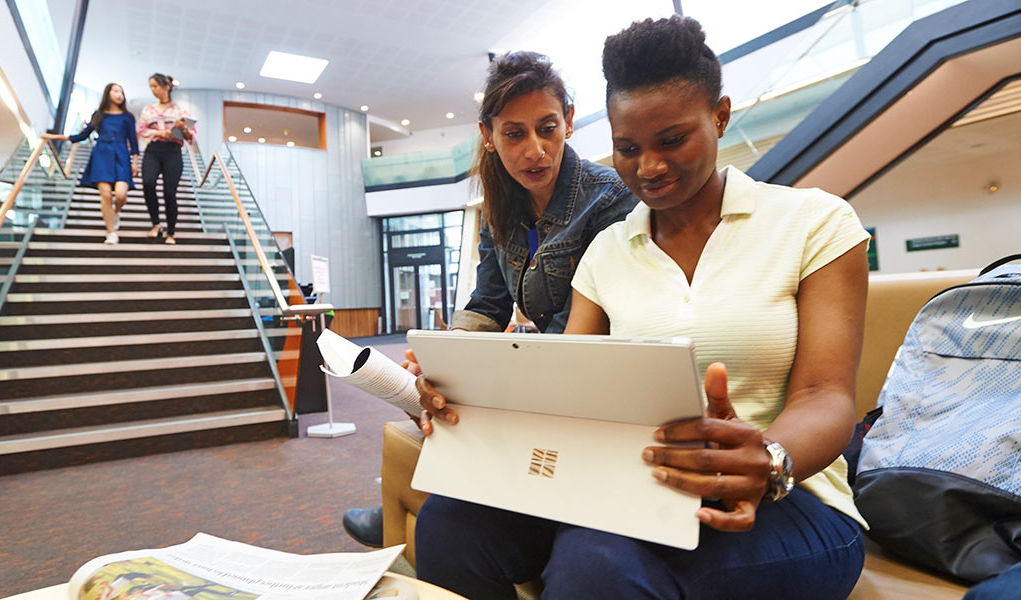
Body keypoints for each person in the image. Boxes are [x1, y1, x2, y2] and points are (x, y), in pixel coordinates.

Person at [412, 16, 871, 599]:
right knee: (451, 524)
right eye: (628, 149)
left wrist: (770, 457)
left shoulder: (816, 222)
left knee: (595, 563)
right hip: (633, 483)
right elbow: (563, 388)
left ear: (720, 116)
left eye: (672, 140)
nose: (648, 167)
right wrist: (459, 393)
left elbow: (825, 396)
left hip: (787, 495)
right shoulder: (607, 250)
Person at [341, 51, 639, 548]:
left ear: (568, 119)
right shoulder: (502, 203)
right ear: (489, 134)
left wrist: (486, 371)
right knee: (435, 389)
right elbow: (487, 302)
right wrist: (447, 354)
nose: (535, 150)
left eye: (547, 128)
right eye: (514, 134)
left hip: (585, 370)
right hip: (543, 361)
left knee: (470, 407)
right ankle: (416, 507)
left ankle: (435, 509)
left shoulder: (607, 198)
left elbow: (581, 333)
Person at [44, 83, 139, 245]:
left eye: (122, 92)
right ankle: (111, 232)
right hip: (101, 154)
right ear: (108, 93)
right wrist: (57, 137)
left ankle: (115, 212)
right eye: (116, 91)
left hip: (121, 154)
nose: (119, 95)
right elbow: (82, 135)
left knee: (121, 195)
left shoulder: (127, 117)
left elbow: (133, 141)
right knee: (106, 195)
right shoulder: (99, 114)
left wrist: (135, 162)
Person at [138, 73, 195, 245]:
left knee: (169, 192)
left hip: (173, 151)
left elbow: (191, 137)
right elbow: (141, 130)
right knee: (148, 183)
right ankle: (156, 224)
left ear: (166, 87)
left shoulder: (179, 110)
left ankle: (171, 232)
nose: (153, 90)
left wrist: (183, 128)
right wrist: (160, 133)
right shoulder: (148, 109)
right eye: (151, 87)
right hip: (153, 150)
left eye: (155, 86)